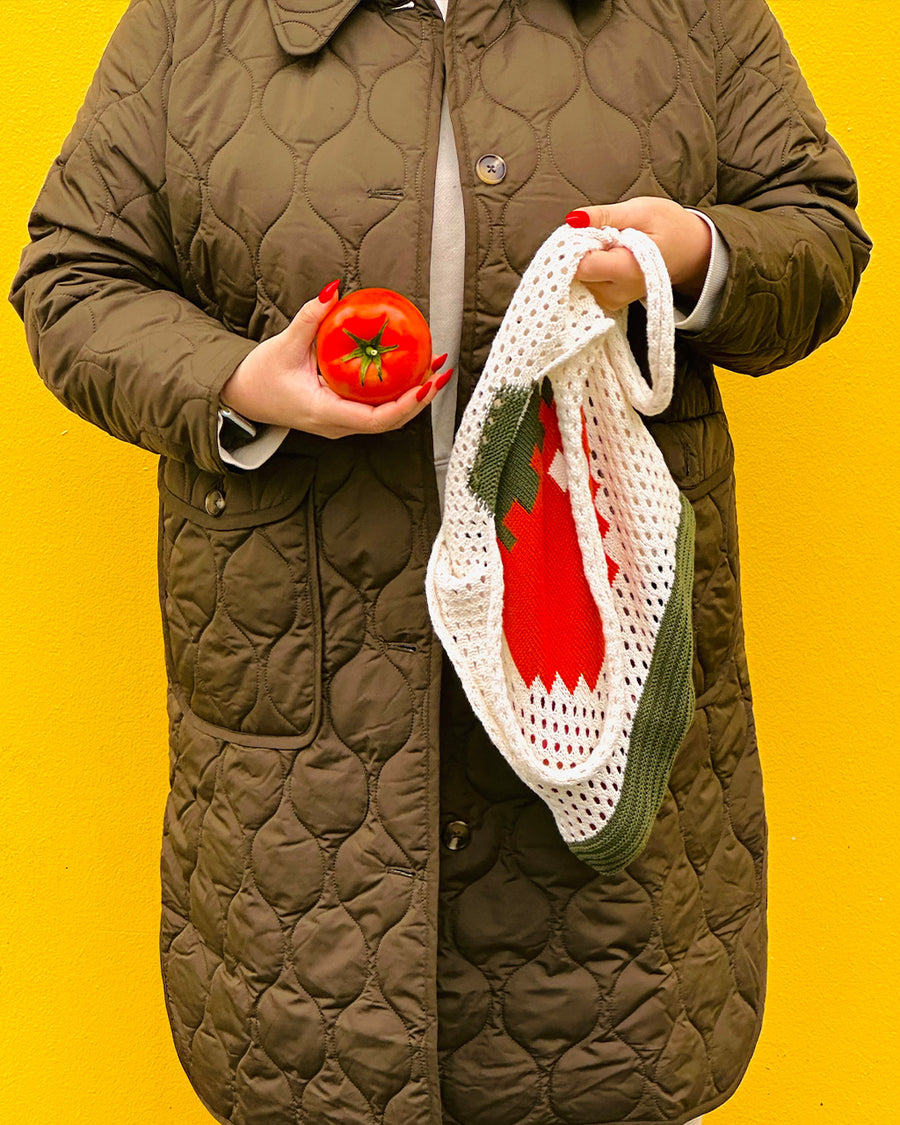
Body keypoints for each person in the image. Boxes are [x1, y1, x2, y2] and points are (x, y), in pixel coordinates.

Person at [9, 2, 870, 1124]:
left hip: (593, 686)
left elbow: (818, 233)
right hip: (307, 740)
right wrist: (237, 383)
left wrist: (694, 255)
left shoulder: (689, 14)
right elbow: (73, 276)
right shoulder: (190, 21)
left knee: (613, 1062)